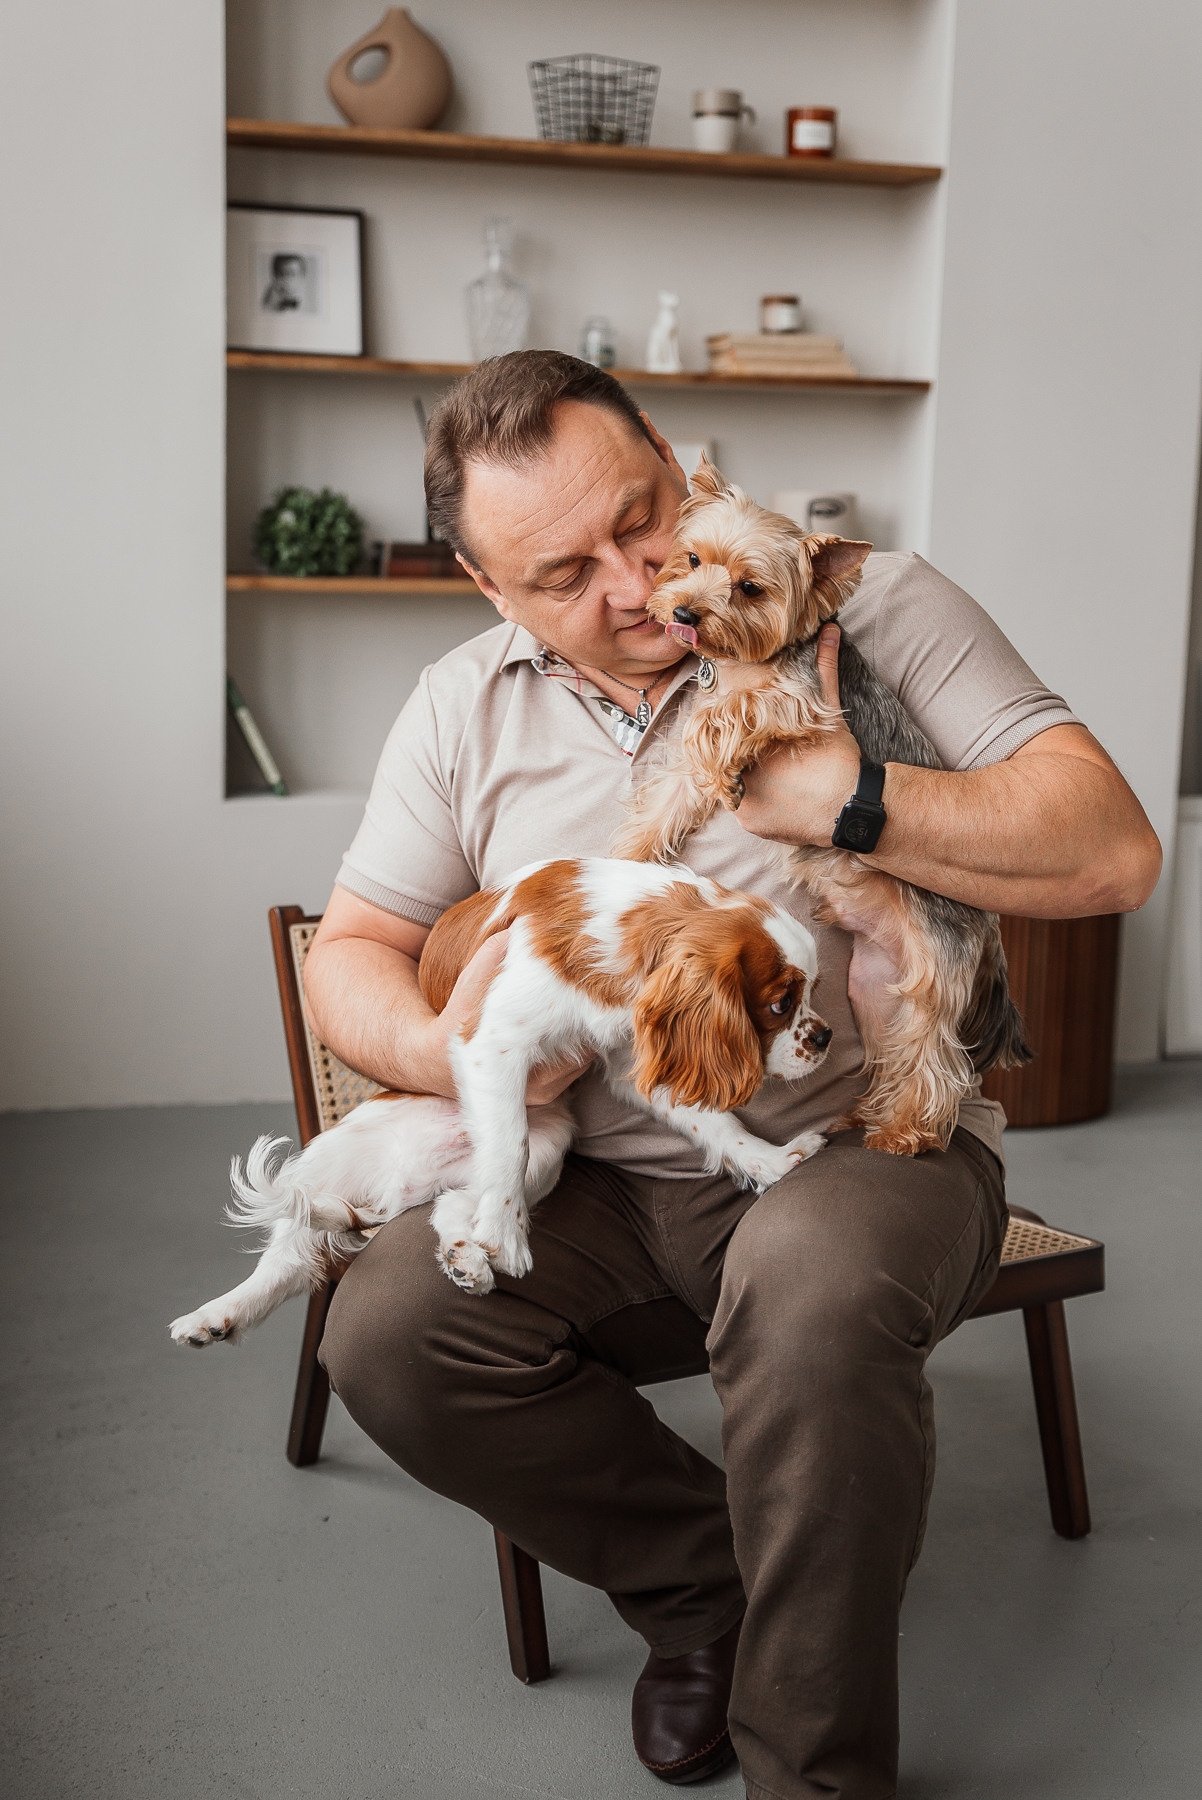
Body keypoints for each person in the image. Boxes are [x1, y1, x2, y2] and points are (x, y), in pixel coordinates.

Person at [304, 352, 1159, 1798]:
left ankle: (810, 1769)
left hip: (852, 1149)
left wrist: (850, 794)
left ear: (672, 450)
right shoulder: (461, 704)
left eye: (643, 519)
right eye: (563, 573)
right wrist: (456, 1054)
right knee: (387, 1334)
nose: (637, 590)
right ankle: (708, 1588)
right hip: (592, 1167)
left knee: (813, 1300)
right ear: (484, 586)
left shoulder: (866, 598)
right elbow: (351, 954)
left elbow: (1110, 851)